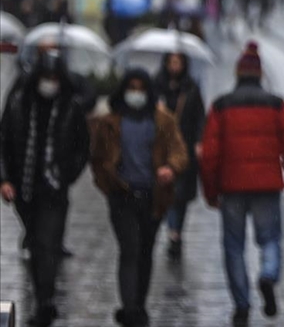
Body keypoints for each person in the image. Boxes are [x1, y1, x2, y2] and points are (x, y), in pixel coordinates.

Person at [200, 42, 284, 327]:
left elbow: (209, 155)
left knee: (234, 246)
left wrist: (210, 191)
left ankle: (242, 305)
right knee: (270, 239)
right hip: (268, 185)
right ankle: (268, 275)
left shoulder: (221, 106)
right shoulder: (275, 104)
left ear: (237, 74)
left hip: (231, 188)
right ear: (259, 75)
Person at [89, 68, 188, 327]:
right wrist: (107, 184)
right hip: (122, 196)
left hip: (152, 197)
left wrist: (171, 168)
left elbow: (179, 151)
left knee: (144, 251)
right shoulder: (111, 122)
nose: (136, 93)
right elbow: (98, 157)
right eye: (131, 87)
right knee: (129, 250)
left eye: (140, 88)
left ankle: (139, 305)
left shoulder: (162, 120)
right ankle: (130, 309)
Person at [0, 51, 89, 327]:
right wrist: (4, 179)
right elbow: (3, 144)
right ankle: (42, 296)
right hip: (24, 189)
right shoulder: (18, 105)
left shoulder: (70, 108)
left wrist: (65, 176)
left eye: (54, 78)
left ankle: (44, 300)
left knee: (46, 244)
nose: (49, 83)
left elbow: (81, 148)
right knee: (37, 243)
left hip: (53, 190)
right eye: (45, 77)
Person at [153, 53, 206, 261]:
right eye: (171, 62)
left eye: (179, 62)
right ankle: (171, 230)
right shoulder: (156, 86)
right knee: (165, 190)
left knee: (179, 195)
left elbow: (199, 116)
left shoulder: (191, 87)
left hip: (183, 147)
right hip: (160, 148)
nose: (175, 66)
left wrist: (198, 142)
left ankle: (175, 232)